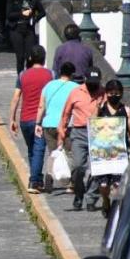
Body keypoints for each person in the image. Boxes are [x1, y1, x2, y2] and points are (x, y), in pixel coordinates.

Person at [57, 67, 106, 211]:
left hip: (98, 132)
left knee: (97, 169)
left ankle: (91, 198)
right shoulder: (75, 93)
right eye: (91, 82)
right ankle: (79, 193)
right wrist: (62, 132)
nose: (93, 85)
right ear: (85, 80)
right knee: (78, 166)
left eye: (95, 83)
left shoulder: (103, 92)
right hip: (79, 132)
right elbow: (66, 114)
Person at [8, 46, 54, 193]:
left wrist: (12, 119)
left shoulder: (22, 75)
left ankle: (37, 178)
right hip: (41, 119)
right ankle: (34, 182)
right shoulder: (51, 75)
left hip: (25, 119)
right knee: (39, 150)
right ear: (44, 58)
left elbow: (16, 98)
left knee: (32, 150)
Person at [91, 79, 130, 217]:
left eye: (117, 93)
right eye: (111, 93)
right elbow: (92, 126)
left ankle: (117, 210)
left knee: (119, 185)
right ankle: (105, 200)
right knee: (104, 186)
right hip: (102, 153)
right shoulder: (101, 109)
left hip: (120, 153)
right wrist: (97, 108)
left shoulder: (126, 111)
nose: (114, 96)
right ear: (106, 94)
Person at [35, 62, 79, 193]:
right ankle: (71, 184)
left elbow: (41, 106)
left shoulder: (49, 85)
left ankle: (49, 179)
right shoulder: (76, 88)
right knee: (70, 153)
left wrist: (38, 123)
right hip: (67, 125)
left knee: (53, 153)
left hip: (49, 124)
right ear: (72, 74)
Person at [5, 0, 43, 74]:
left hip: (28, 28)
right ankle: (20, 77)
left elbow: (42, 11)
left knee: (30, 55)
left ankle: (29, 75)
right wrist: (21, 14)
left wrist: (34, 18)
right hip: (16, 28)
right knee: (20, 56)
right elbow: (9, 14)